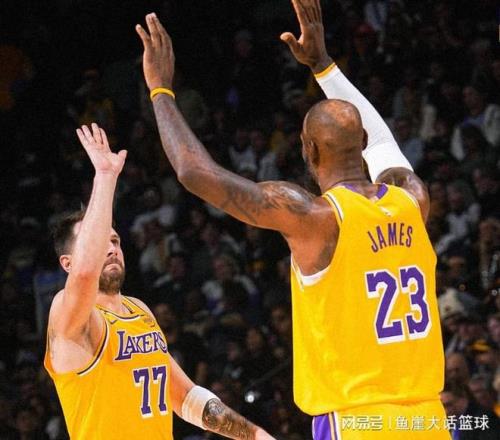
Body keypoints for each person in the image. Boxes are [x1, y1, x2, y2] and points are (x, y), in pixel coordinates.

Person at [135, 0, 447, 438]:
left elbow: (193, 173)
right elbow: (380, 141)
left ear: (308, 150)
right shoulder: (411, 199)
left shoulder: (316, 217)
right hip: (428, 418)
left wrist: (160, 92)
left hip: (358, 422)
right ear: (358, 142)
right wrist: (324, 67)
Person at [44, 123, 273, 440]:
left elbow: (187, 399)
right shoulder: (67, 314)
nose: (109, 247)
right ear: (67, 263)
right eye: (96, 241)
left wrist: (255, 435)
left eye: (115, 240)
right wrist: (106, 177)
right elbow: (85, 273)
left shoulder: (139, 311)